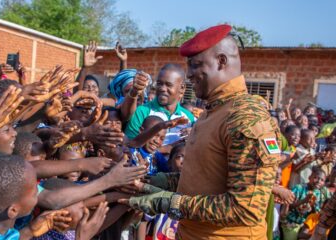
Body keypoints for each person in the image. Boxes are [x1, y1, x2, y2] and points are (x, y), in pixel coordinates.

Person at [120, 24, 281, 239]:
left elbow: (246, 210)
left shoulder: (246, 119)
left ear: (221, 61)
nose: (189, 75)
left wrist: (169, 202)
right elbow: (207, 178)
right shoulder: (211, 113)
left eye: (196, 66)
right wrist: (160, 182)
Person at [125, 63, 195, 147]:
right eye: (159, 83)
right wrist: (166, 150)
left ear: (182, 88)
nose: (162, 88)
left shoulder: (188, 117)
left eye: (168, 85)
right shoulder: (142, 111)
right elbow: (129, 145)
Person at [281, 167, 331, 240]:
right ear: (309, 177)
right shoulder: (299, 188)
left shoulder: (319, 193)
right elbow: (288, 206)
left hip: (306, 225)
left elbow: (316, 213)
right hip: (292, 223)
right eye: (316, 178)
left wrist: (313, 205)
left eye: (322, 180)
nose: (319, 181)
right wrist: (304, 200)